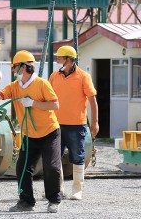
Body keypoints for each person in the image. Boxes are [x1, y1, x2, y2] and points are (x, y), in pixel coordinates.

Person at [0, 50, 62, 213]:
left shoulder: (42, 84)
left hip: (50, 133)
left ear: (24, 67)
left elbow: (55, 105)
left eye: (15, 67)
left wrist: (33, 103)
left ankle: (54, 201)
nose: (13, 70)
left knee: (51, 167)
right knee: (22, 167)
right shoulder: (14, 87)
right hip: (30, 135)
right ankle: (26, 202)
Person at [49, 45, 99, 200]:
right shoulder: (54, 76)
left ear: (69, 60)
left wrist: (95, 122)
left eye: (60, 58)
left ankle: (78, 190)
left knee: (77, 156)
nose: (57, 60)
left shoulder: (83, 76)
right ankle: (58, 189)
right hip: (55, 124)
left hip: (77, 125)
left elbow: (92, 100)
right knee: (54, 157)